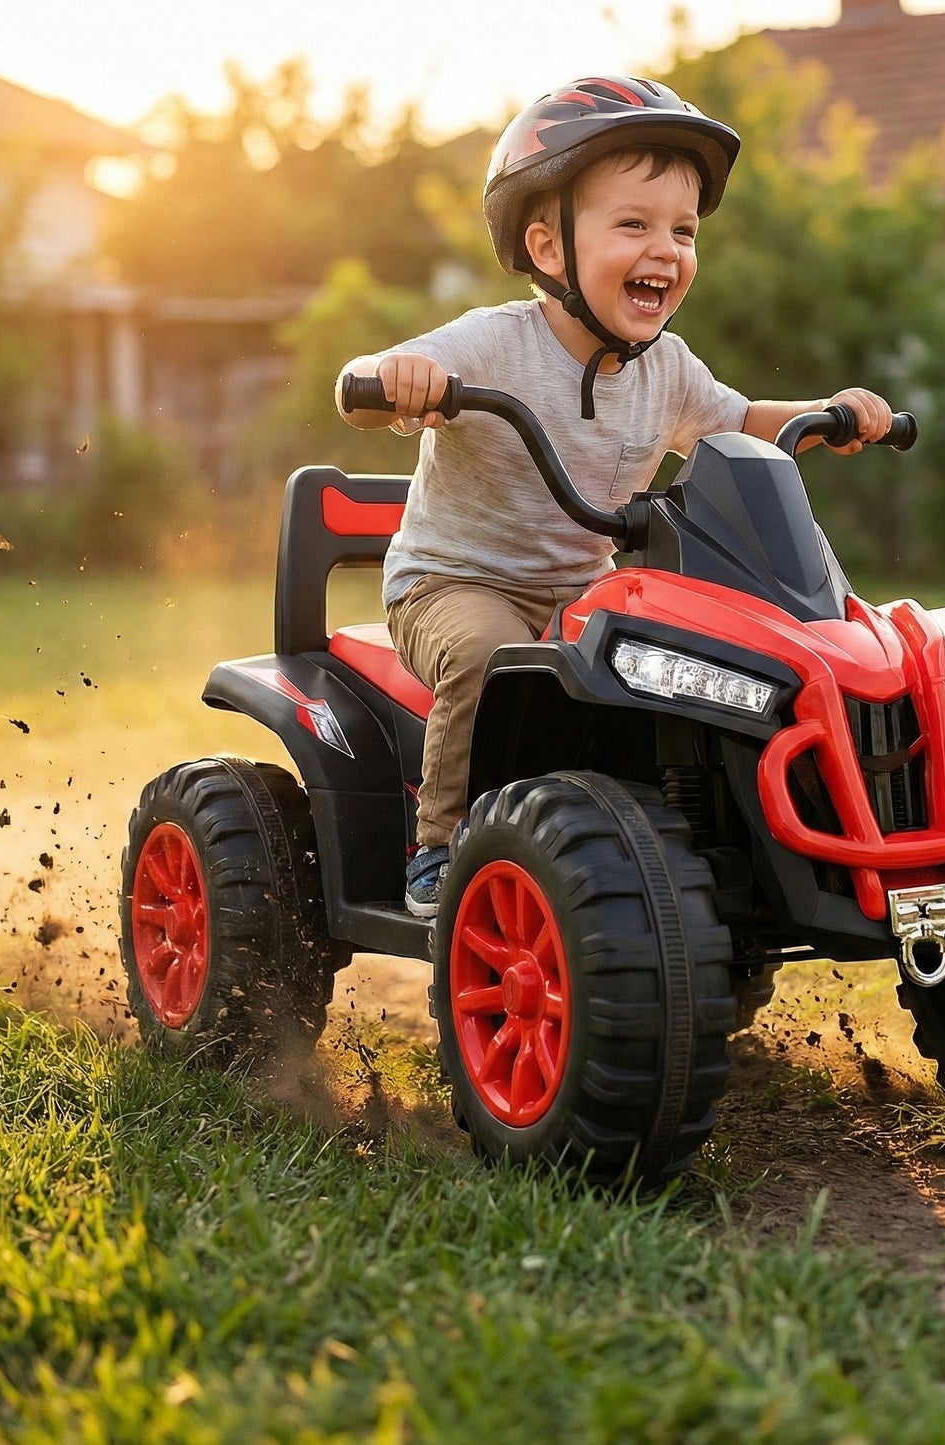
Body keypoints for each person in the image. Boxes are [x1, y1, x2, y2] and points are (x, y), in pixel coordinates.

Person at [337, 76, 894, 917]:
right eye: (633, 225)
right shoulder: (492, 343)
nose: (665, 249)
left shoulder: (666, 367)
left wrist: (826, 415)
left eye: (683, 230)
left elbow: (739, 421)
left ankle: (690, 846)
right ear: (551, 249)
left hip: (584, 590)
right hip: (453, 584)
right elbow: (368, 381)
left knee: (690, 672)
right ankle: (442, 844)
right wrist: (399, 379)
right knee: (489, 658)